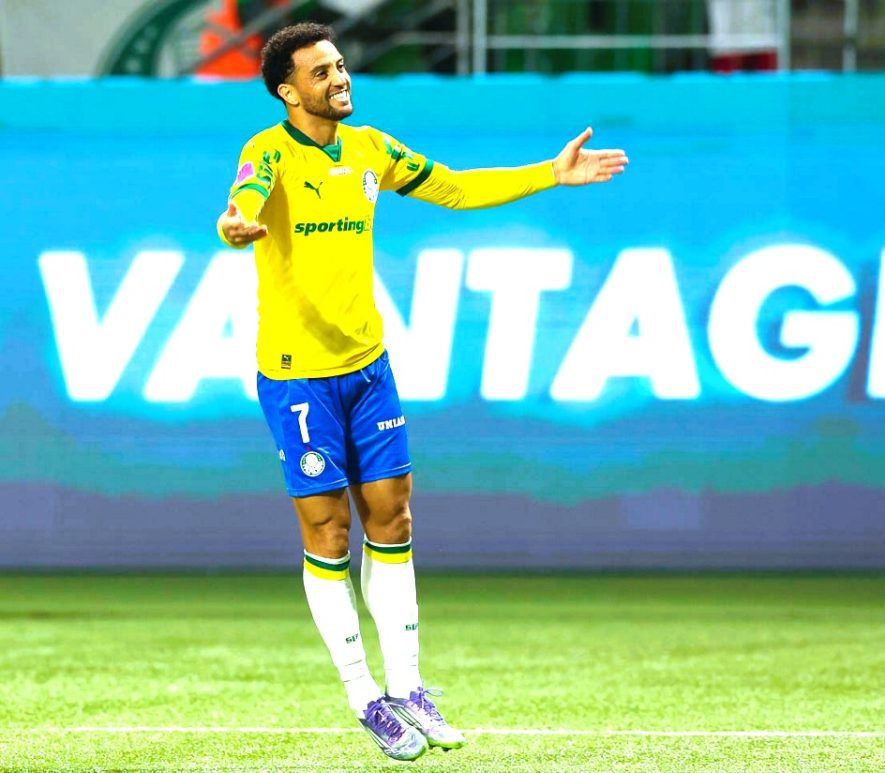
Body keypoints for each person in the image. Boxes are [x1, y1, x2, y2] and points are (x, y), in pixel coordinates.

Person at [216, 22, 627, 762]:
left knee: (394, 515)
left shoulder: (370, 148)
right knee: (329, 532)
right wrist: (236, 225)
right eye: (321, 72)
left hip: (368, 366)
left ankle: (408, 688)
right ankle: (362, 695)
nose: (340, 78)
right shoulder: (268, 150)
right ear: (288, 91)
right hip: (297, 374)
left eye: (340, 65)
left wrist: (549, 173)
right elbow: (244, 200)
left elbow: (455, 188)